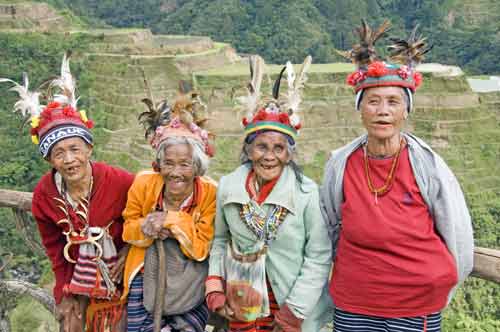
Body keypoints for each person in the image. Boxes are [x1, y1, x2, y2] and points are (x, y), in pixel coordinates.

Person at [319, 21, 474, 332]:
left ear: (406, 111)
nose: (383, 111)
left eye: (393, 102)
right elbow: (329, 224)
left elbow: (456, 230)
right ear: (360, 109)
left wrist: (442, 281)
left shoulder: (428, 165)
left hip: (417, 304)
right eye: (373, 102)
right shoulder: (340, 164)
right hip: (355, 301)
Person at [1, 53, 134, 331]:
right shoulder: (45, 195)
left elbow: (147, 215)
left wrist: (129, 253)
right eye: (58, 153)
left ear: (89, 149)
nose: (69, 159)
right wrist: (64, 294)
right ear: (49, 159)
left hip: (128, 276)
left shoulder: (119, 181)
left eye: (75, 149)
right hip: (82, 281)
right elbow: (56, 251)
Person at [205, 55, 332, 332]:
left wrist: (293, 313)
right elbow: (220, 240)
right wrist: (215, 289)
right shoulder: (228, 188)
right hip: (242, 303)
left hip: (291, 307)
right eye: (261, 147)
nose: (269, 156)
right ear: (248, 150)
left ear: (289, 154)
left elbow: (318, 258)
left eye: (279, 148)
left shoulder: (308, 194)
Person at [121, 82, 216, 332]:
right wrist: (146, 226)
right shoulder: (143, 183)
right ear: (158, 164)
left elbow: (203, 246)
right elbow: (127, 227)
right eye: (168, 163)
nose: (175, 173)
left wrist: (171, 220)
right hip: (146, 270)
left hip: (191, 276)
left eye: (185, 164)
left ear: (197, 167)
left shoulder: (209, 193)